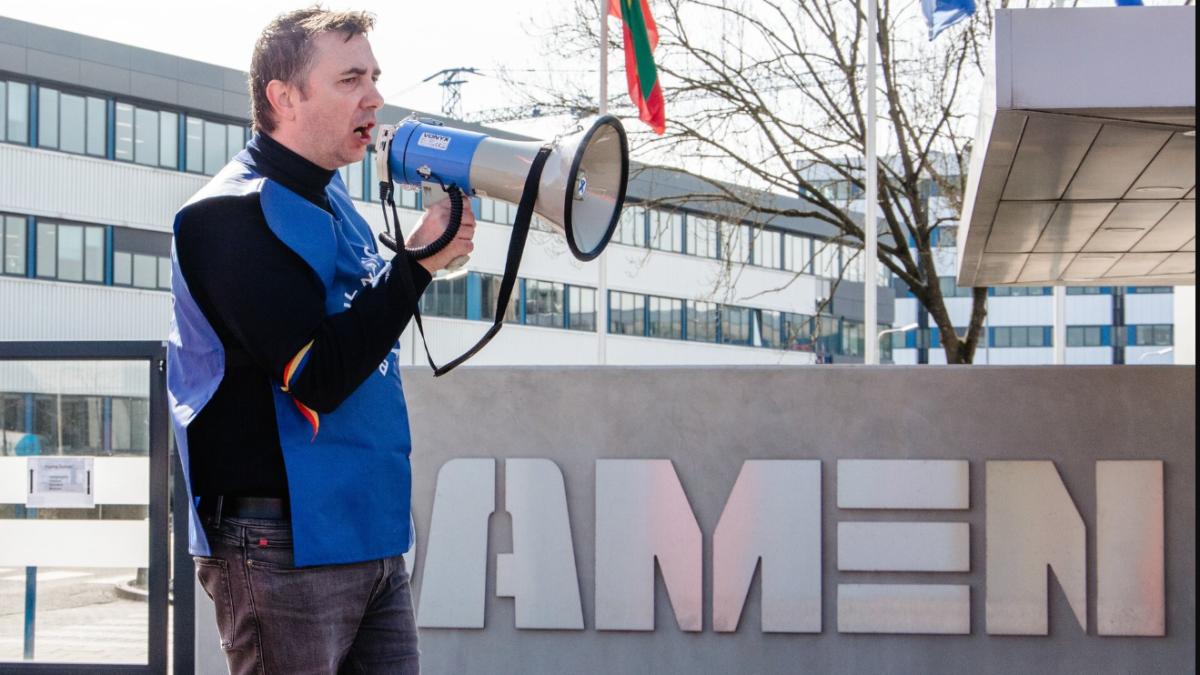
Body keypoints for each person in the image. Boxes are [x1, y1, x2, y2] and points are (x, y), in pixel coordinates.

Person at [166, 8, 473, 674]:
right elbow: (317, 375)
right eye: (349, 79)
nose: (374, 96)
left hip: (368, 534)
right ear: (283, 97)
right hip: (279, 543)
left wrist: (414, 265)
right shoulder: (228, 215)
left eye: (375, 77)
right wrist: (416, 264)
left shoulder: (338, 207)